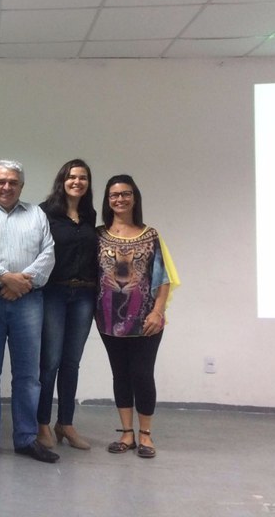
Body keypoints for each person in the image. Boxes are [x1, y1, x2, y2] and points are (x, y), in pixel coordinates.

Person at [0, 160, 59, 467]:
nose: (7, 187)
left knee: (28, 375)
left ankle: (26, 438)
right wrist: (6, 278)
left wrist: (21, 284)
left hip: (28, 300)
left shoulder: (36, 214)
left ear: (21, 186)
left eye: (13, 182)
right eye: (1, 181)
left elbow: (48, 254)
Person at [96, 174, 179, 459]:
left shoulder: (151, 235)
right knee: (120, 374)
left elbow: (163, 277)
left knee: (142, 374)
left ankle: (145, 434)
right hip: (107, 320)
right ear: (108, 200)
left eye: (125, 194)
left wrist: (158, 311)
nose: (120, 199)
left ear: (134, 197)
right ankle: (126, 433)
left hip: (146, 319)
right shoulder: (98, 235)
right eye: (114, 195)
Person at [36, 159, 98, 450]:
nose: (77, 182)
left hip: (84, 295)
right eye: (72, 177)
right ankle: (42, 424)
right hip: (54, 293)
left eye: (83, 177)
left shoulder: (89, 215)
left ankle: (66, 423)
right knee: (50, 362)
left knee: (72, 362)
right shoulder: (45, 213)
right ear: (62, 180)